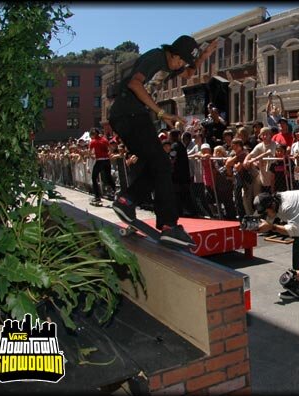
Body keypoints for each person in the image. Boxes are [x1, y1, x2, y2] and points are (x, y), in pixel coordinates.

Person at [109, 35, 216, 246]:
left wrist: (203, 56)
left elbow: (188, 73)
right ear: (173, 53)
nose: (179, 66)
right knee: (162, 164)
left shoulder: (172, 64)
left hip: (130, 116)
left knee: (158, 165)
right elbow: (134, 84)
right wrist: (161, 113)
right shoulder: (156, 58)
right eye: (179, 61)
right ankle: (168, 224)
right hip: (129, 113)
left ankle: (127, 200)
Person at [254, 190, 299, 300]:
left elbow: (295, 231)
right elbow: (270, 218)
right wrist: (258, 227)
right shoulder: (276, 203)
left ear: (272, 206)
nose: (265, 215)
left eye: (265, 212)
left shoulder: (288, 206)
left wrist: (271, 227)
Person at [88, 127, 116, 205]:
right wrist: (108, 155)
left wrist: (93, 156)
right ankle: (115, 192)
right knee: (108, 177)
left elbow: (89, 153)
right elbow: (111, 149)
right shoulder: (104, 140)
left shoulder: (93, 142)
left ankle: (97, 197)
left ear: (93, 135)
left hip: (99, 161)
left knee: (94, 178)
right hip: (107, 160)